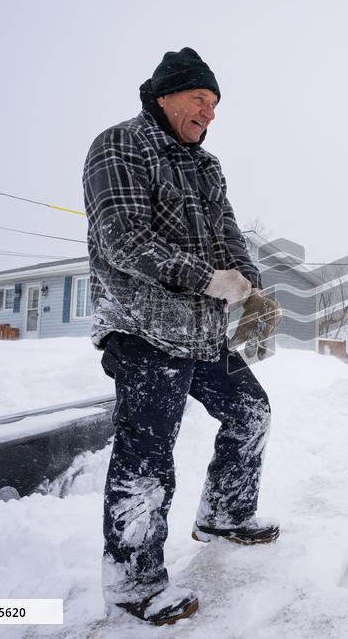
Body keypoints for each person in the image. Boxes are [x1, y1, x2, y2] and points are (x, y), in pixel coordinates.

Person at [83, 47, 279, 625]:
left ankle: (225, 512)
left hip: (200, 332)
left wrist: (254, 287)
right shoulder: (120, 146)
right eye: (199, 99)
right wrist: (205, 277)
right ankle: (132, 582)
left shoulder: (206, 166)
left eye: (215, 104)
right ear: (165, 95)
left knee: (250, 411)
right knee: (147, 454)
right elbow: (122, 240)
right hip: (141, 328)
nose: (209, 113)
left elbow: (228, 234)